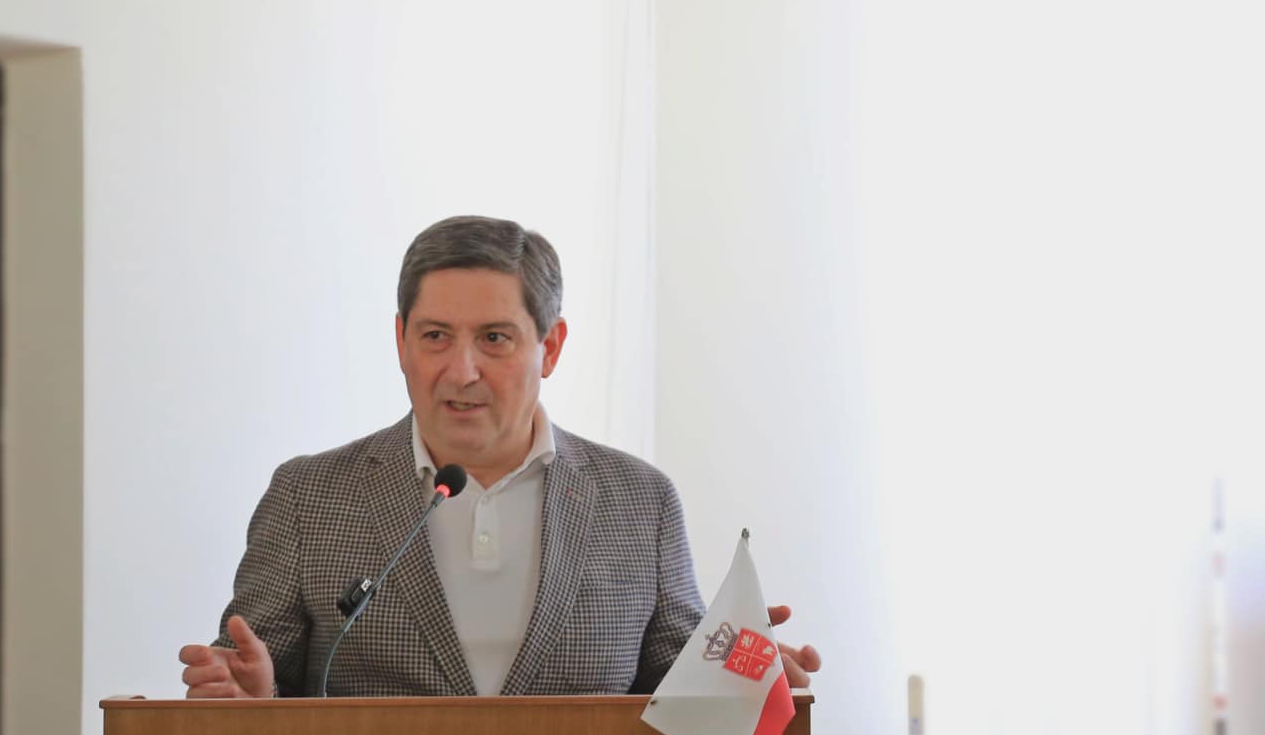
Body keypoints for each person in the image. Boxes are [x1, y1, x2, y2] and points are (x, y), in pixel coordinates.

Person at [178, 215, 821, 700]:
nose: (462, 371)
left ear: (551, 347)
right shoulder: (309, 496)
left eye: (494, 339)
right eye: (435, 336)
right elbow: (249, 671)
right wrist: (247, 698)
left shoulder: (639, 500)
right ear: (401, 341)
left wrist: (735, 672)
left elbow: (675, 685)